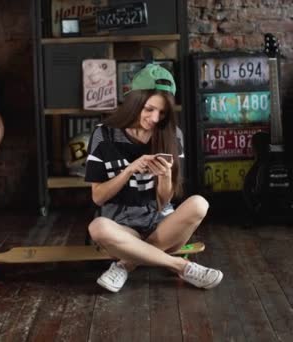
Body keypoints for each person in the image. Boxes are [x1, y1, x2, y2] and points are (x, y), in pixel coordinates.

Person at [84, 63, 223, 293]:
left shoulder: (172, 135)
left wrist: (166, 175)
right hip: (121, 229)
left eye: (162, 113)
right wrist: (129, 170)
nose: (155, 118)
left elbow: (163, 203)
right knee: (98, 227)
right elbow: (98, 198)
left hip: (160, 226)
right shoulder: (103, 134)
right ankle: (181, 266)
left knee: (199, 204)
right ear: (134, 102)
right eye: (149, 109)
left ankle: (126, 264)